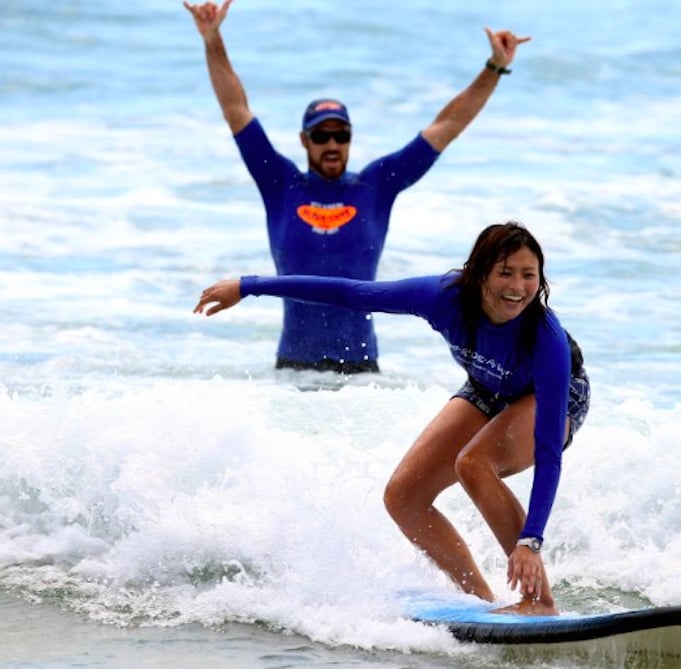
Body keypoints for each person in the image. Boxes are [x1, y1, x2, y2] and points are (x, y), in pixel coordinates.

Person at [194, 221, 589, 615]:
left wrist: (530, 540)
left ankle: (539, 602)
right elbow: (352, 294)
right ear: (478, 272)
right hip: (488, 386)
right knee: (404, 497)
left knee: (473, 463)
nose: (517, 287)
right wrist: (249, 286)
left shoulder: (545, 338)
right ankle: (481, 603)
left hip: (553, 395)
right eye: (505, 273)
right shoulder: (443, 297)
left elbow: (549, 452)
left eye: (528, 275)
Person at [185, 1, 530, 374]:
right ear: (304, 140)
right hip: (292, 370)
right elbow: (236, 109)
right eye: (321, 135)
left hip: (363, 375)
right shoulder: (280, 182)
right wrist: (211, 37)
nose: (332, 144)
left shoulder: (376, 185)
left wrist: (495, 68)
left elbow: (445, 127)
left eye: (341, 134)